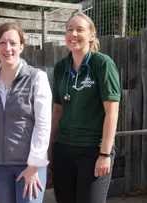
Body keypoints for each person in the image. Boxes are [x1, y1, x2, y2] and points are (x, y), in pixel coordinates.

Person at [48, 12, 121, 203]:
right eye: (69, 29)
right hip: (64, 149)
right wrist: (49, 148)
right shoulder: (61, 67)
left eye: (79, 30)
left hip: (93, 150)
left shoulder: (102, 64)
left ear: (91, 35)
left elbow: (112, 112)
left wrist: (104, 154)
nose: (73, 34)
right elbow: (57, 110)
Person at [0, 22, 52, 203]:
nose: (7, 48)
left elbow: (43, 123)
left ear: (21, 46)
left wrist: (34, 164)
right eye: (2, 43)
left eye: (13, 43)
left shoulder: (37, 77)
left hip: (28, 163)